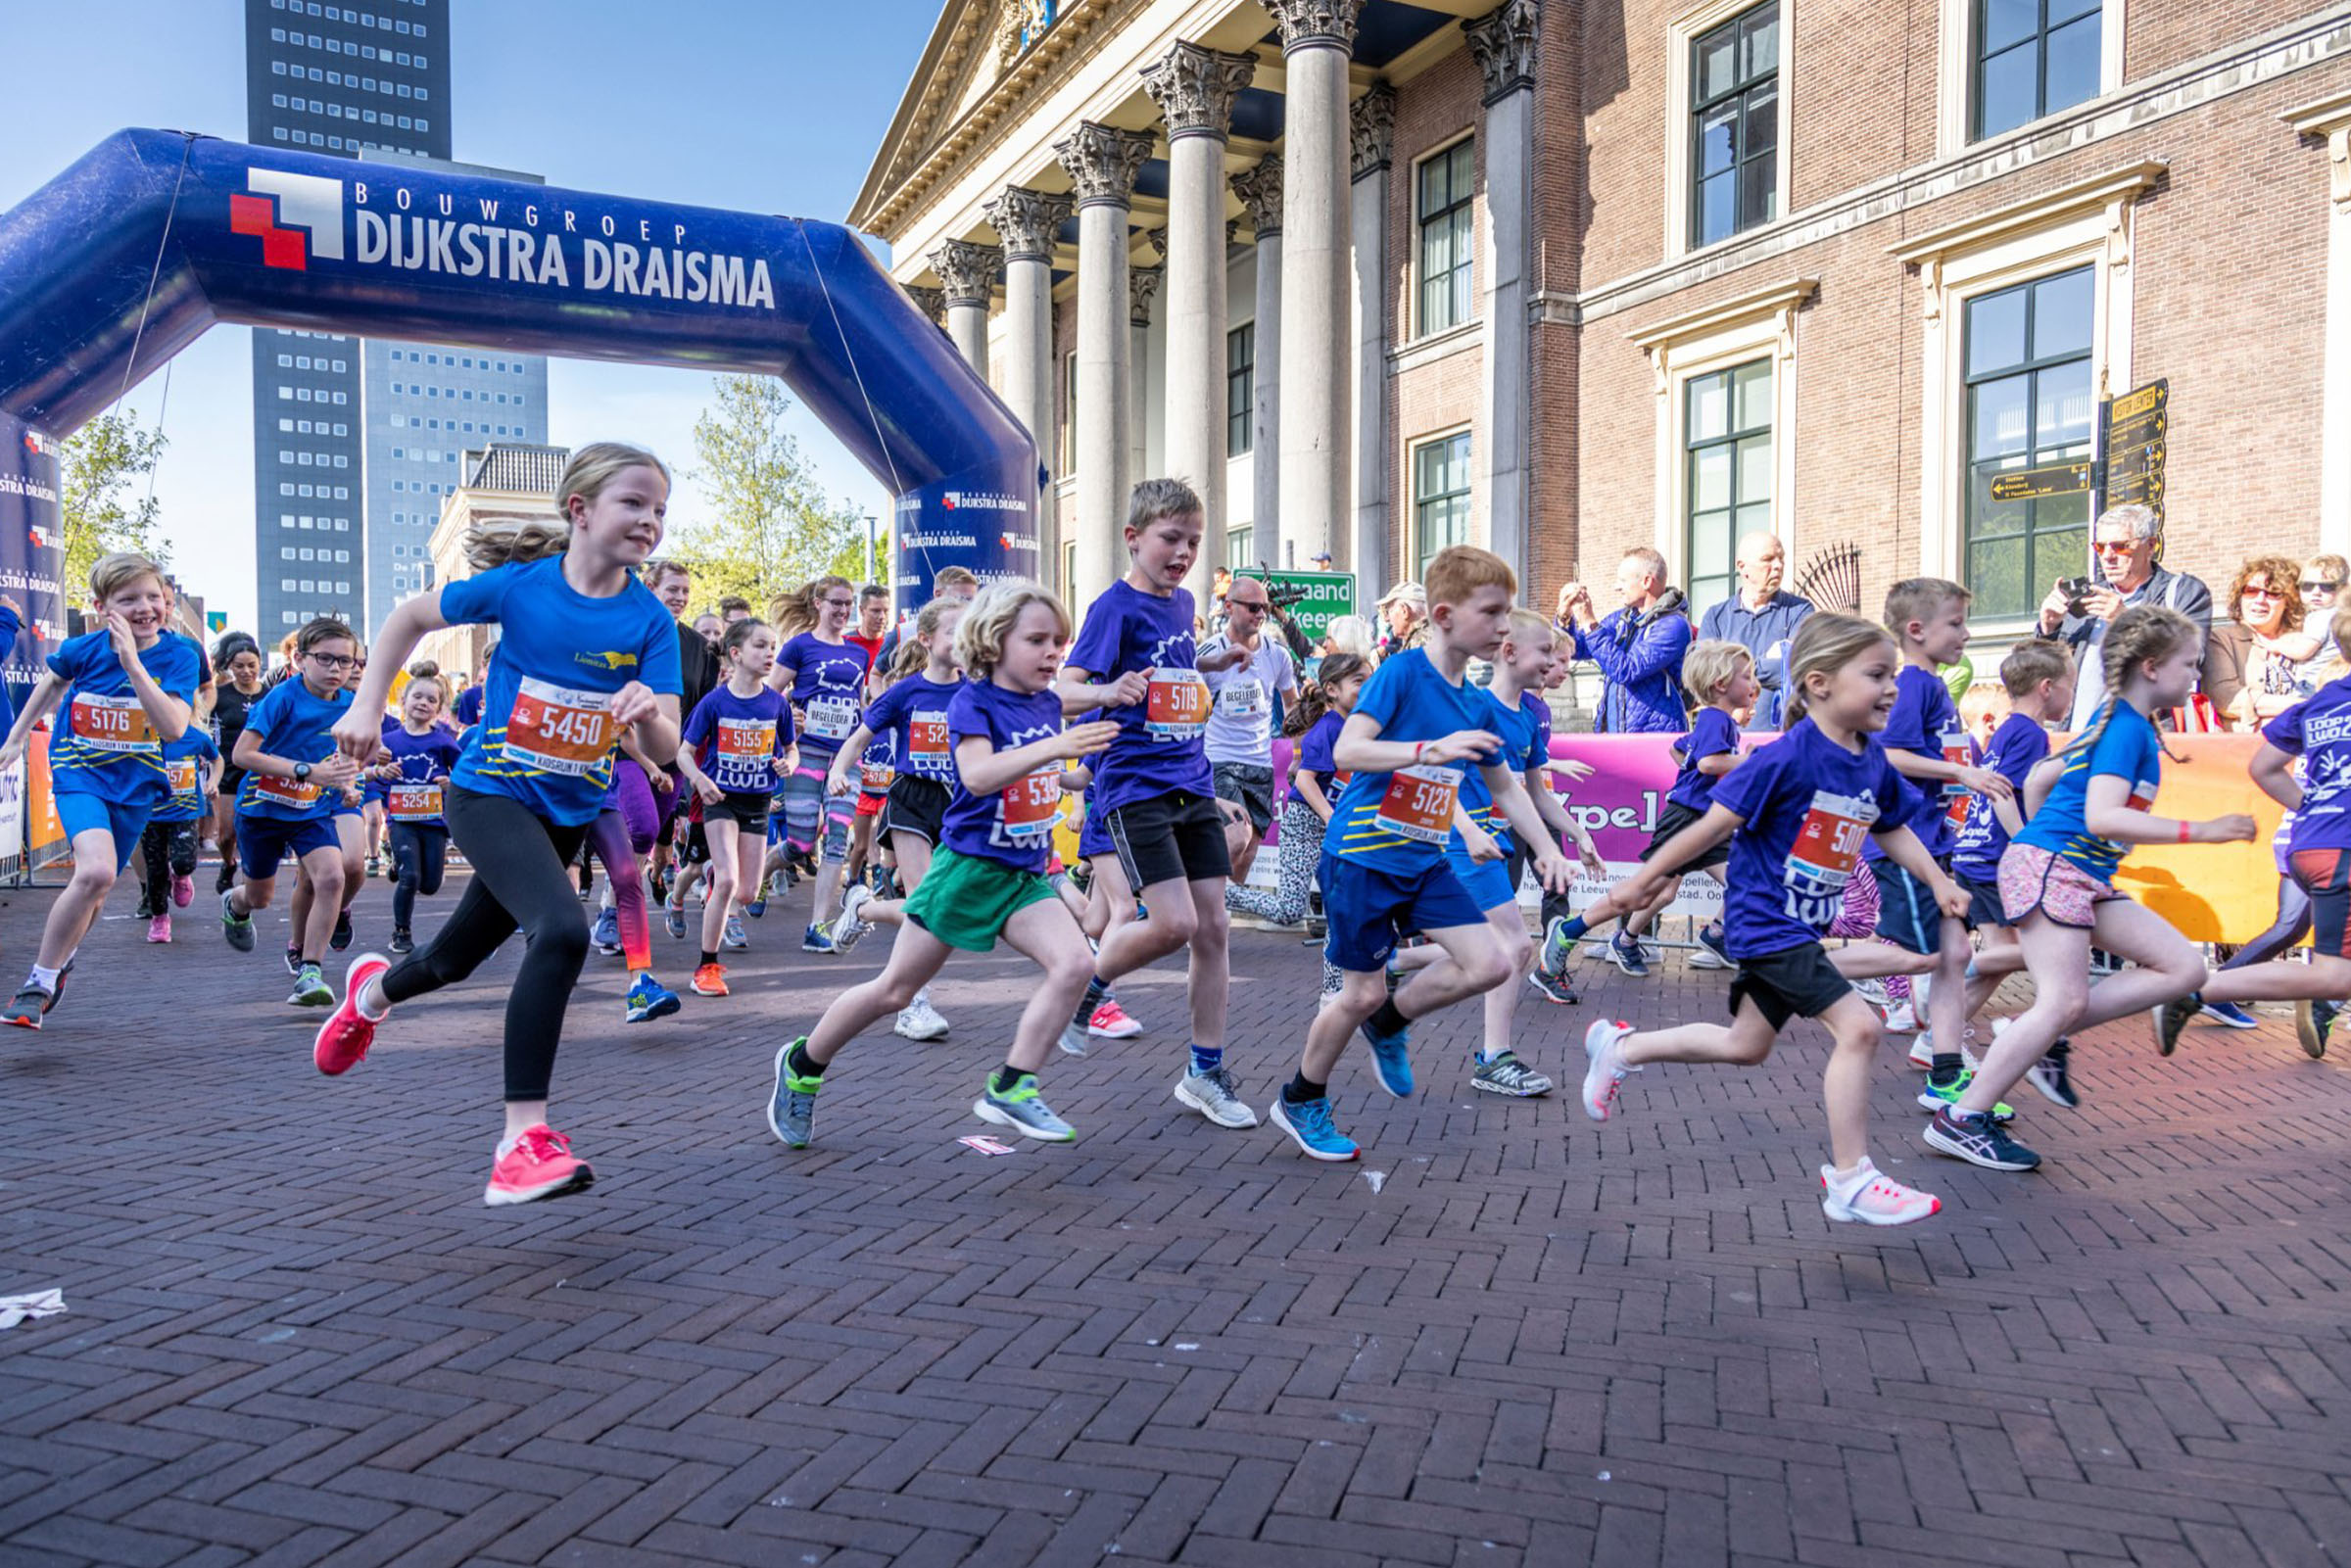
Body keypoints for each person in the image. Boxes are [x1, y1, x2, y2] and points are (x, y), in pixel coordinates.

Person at [307, 442, 684, 1208]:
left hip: (567, 810)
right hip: (487, 794)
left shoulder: (651, 622)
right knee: (563, 929)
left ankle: (370, 997)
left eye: (660, 510)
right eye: (633, 503)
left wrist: (647, 714)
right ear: (580, 510)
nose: (650, 520)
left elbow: (669, 742)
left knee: (452, 960)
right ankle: (521, 1142)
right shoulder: (521, 589)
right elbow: (409, 616)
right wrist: (366, 706)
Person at [1580, 614, 1953, 1224]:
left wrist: (1938, 880)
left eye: (1893, 676)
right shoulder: (1784, 759)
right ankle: (1851, 1179)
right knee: (1859, 1028)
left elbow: (1892, 828)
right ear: (1820, 683)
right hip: (1765, 923)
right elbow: (1709, 827)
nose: (1893, 689)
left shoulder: (1872, 761)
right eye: (1877, 675)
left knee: (1746, 1046)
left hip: (1801, 925)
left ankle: (1621, 1047)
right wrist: (1643, 881)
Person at [766, 581, 1121, 1150]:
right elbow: (978, 775)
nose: (1053, 652)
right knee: (894, 992)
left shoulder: (1046, 701)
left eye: (1059, 641)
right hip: (968, 870)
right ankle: (803, 1064)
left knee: (1077, 964)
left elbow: (1067, 724)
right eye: (1037, 640)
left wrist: (1111, 704)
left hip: (1023, 874)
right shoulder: (971, 702)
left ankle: (1012, 1085)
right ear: (994, 642)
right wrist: (1057, 747)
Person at [1926, 607, 2255, 1174]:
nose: (2197, 676)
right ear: (2151, 667)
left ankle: (2033, 1034)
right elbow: (2103, 816)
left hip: (2074, 871)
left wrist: (2035, 837)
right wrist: (2202, 831)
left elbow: (2041, 778)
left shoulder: (2116, 723)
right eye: (2189, 663)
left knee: (2183, 969)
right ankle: (1963, 1118)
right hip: (2057, 869)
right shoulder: (2123, 728)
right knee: (2063, 1002)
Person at [1277, 546, 1575, 1161]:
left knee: (1494, 961)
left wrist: (1549, 847)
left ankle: (1389, 1023)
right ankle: (1301, 1098)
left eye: (1507, 613)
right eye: (1490, 613)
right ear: (1443, 615)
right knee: (1358, 994)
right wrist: (1427, 752)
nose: (1503, 627)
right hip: (1362, 858)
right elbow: (1349, 752)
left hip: (1425, 860)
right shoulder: (1402, 674)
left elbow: (1506, 789)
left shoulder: (1477, 704)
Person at [1056, 478, 1256, 1132]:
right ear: (1134, 538)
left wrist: (1211, 665)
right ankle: (1089, 985)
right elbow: (1062, 690)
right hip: (1135, 785)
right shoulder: (1112, 609)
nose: (1184, 553)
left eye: (1193, 541)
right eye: (1171, 539)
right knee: (1172, 924)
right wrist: (1107, 690)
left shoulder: (1186, 603)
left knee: (1214, 928)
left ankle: (1205, 1071)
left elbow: (1174, 672)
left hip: (1192, 779)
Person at [1390, 607, 1603, 1098]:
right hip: (1461, 846)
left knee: (1490, 947)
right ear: (1509, 653)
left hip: (1491, 844)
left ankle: (1391, 970)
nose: (1553, 662)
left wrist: (1576, 835)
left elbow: (1534, 793)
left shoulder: (1527, 719)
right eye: (1545, 651)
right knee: (1514, 946)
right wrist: (1466, 830)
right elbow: (1431, 779)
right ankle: (1491, 1057)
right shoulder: (1471, 709)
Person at [0, 553, 202, 1028]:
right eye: (128, 600)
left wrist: (133, 663)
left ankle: (60, 962)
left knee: (99, 886)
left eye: (152, 597)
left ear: (166, 603)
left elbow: (173, 727)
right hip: (80, 773)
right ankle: (37, 982)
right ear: (103, 607)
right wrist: (15, 739)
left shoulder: (180, 656)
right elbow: (51, 683)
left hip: (136, 785)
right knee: (95, 871)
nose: (144, 608)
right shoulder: (83, 648)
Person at [1863, 578, 2012, 1114]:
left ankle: (1945, 1072)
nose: (1967, 634)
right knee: (1925, 956)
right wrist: (1960, 772)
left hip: (1934, 842)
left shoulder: (1934, 687)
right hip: (1908, 844)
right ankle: (1794, 968)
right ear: (1917, 629)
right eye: (1956, 623)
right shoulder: (1913, 686)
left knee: (1954, 956)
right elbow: (1889, 753)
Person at [1538, 641, 1756, 979]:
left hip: (1706, 822)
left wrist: (1695, 777)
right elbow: (1709, 763)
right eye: (1747, 676)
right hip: (1687, 819)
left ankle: (1715, 934)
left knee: (1743, 879)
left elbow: (1680, 751)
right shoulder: (1716, 719)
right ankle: (1570, 930)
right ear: (1721, 684)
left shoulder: (1716, 721)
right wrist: (1748, 761)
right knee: (1642, 894)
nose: (1754, 684)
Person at [826, 595, 967, 1041]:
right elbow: (859, 738)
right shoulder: (906, 692)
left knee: (944, 908)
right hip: (912, 797)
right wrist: (837, 770)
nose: (963, 639)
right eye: (953, 631)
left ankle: (862, 907)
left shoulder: (975, 691)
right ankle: (914, 1006)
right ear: (925, 639)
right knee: (925, 906)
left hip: (959, 803)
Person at [1943, 641, 2076, 1098]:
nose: (2072, 695)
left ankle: (1938, 1036)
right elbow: (2003, 791)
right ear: (2046, 688)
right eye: (2070, 685)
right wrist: (2026, 844)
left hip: (1975, 852)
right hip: (1993, 857)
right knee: (2031, 950)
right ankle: (1939, 983)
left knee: (2003, 956)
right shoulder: (2030, 734)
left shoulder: (2005, 729)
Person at [219, 617, 362, 1007]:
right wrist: (306, 771)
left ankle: (310, 970)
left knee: (332, 877)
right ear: (300, 659)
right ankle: (235, 903)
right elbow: (242, 755)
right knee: (260, 897)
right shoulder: (282, 697)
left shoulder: (351, 704)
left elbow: (342, 757)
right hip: (262, 810)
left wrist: (348, 784)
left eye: (345, 661)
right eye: (325, 659)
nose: (335, 669)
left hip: (310, 810)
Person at [678, 618, 796, 997]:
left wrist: (788, 765)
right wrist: (700, 780)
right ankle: (705, 968)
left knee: (746, 892)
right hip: (721, 800)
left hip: (758, 801)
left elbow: (791, 749)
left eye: (773, 646)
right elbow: (684, 753)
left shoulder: (777, 703)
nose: (769, 653)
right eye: (760, 645)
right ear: (736, 653)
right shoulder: (715, 702)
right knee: (728, 882)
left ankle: (715, 878)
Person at [2039, 502, 2213, 729]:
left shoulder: (2183, 592)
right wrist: (2049, 628)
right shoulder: (2086, 597)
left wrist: (2127, 621)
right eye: (2100, 547)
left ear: (2150, 545)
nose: (2108, 556)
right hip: (2079, 738)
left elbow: (2189, 658)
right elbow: (2044, 674)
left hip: (2143, 737)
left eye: (2120, 547)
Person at [1225, 653, 1367, 927]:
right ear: (1332, 689)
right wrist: (1330, 817)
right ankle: (1219, 893)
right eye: (1359, 681)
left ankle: (1339, 957)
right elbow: (1304, 780)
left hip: (1334, 828)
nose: (1369, 688)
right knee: (1290, 910)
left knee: (1344, 907)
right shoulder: (1328, 728)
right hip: (1304, 827)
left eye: (1372, 681)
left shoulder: (1357, 727)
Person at [768, 574, 870, 952]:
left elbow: (860, 703)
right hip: (807, 752)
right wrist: (789, 713)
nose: (843, 610)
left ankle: (817, 926)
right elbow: (769, 695)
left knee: (838, 838)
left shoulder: (858, 653)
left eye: (847, 604)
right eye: (836, 603)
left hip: (845, 756)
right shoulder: (799, 646)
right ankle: (759, 878)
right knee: (800, 842)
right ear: (818, 604)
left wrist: (867, 733)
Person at [1200, 573, 1300, 885]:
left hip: (1260, 763)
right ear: (1229, 606)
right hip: (1219, 760)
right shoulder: (1209, 653)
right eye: (1253, 607)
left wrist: (1297, 752)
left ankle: (1218, 910)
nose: (1261, 614)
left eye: (1264, 608)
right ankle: (1197, 897)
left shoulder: (1277, 654)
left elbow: (1292, 704)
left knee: (1247, 854)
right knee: (1236, 836)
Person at [371, 666, 463, 955]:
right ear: (404, 701)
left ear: (439, 708)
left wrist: (450, 783)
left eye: (431, 700)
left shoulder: (443, 741)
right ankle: (401, 932)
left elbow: (464, 774)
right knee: (410, 876)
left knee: (430, 884)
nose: (423, 703)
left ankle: (397, 866)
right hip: (401, 821)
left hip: (433, 821)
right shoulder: (388, 742)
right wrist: (381, 771)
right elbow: (368, 772)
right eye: (418, 697)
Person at [1556, 546, 1693, 735]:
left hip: (1654, 737)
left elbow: (1626, 670)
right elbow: (1576, 648)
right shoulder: (1622, 619)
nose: (1616, 587)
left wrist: (1588, 622)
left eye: (1622, 580)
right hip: (1616, 733)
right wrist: (1564, 619)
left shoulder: (1673, 626)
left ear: (1646, 581)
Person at [1697, 530, 1813, 730]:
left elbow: (1797, 670)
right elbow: (1704, 677)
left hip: (1783, 738)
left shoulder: (1800, 611)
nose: (1778, 565)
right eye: (1768, 559)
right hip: (1727, 739)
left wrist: (1731, 671)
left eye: (1781, 558)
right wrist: (1769, 662)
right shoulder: (1715, 617)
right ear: (1743, 567)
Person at [2202, 555, 2317, 730]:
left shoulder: (2308, 641)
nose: (2260, 599)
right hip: (2248, 743)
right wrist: (2305, 706)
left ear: (2290, 601)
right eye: (2251, 591)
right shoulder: (2220, 639)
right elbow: (2227, 698)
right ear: (2240, 597)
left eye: (2273, 593)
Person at [137, 722, 219, 943]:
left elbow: (217, 759)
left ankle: (181, 875)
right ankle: (160, 919)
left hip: (185, 812)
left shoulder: (194, 737)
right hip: (151, 814)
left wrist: (213, 782)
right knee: (155, 869)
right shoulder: (143, 736)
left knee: (184, 862)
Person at [210, 633, 265, 893]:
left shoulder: (271, 695)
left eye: (251, 665)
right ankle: (228, 863)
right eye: (239, 666)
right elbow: (202, 722)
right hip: (228, 770)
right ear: (230, 666)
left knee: (253, 831)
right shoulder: (219, 695)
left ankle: (250, 878)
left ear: (260, 664)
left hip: (261, 770)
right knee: (226, 835)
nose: (246, 671)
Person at [1373, 581, 1427, 657]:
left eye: (1390, 611)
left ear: (1404, 611)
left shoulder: (1421, 643)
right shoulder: (1436, 634)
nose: (1387, 619)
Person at [846, 583, 890, 670]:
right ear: (861, 610)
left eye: (886, 611)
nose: (882, 616)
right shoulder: (845, 642)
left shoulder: (892, 644)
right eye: (876, 611)